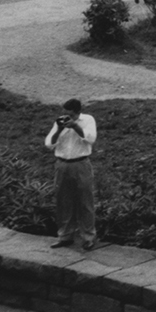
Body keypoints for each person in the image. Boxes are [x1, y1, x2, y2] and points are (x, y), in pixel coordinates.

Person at [45, 99, 98, 250]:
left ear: (76, 112)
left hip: (81, 163)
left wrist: (75, 127)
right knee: (63, 201)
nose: (65, 117)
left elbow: (91, 139)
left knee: (85, 202)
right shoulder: (59, 123)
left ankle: (88, 237)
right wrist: (59, 130)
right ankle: (65, 236)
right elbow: (49, 144)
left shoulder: (87, 120)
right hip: (62, 164)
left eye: (69, 115)